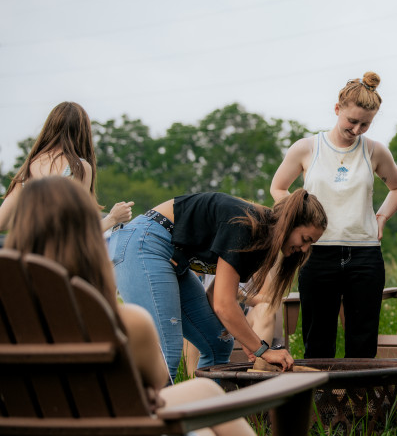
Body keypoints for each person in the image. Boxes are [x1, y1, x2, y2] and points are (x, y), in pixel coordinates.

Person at [4, 176, 256, 436]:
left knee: (204, 390)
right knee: (202, 428)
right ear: (90, 243)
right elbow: (157, 379)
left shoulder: (10, 324)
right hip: (107, 424)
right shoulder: (125, 323)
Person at [109, 187, 327, 379]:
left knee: (217, 343)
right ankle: (157, 422)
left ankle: (204, 414)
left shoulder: (261, 242)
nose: (306, 249)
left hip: (174, 259)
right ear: (290, 224)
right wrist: (262, 350)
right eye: (305, 239)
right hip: (144, 244)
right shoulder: (247, 225)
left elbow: (215, 296)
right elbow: (224, 305)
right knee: (167, 352)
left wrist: (248, 340)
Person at [270, 71, 397, 358]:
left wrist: (381, 217)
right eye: (352, 121)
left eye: (365, 124)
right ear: (337, 110)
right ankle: (323, 400)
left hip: (365, 254)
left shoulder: (375, 151)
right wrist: (300, 216)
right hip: (317, 253)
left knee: (363, 338)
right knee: (317, 339)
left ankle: (359, 400)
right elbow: (278, 188)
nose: (357, 129)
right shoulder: (307, 148)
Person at [0, 101, 133, 233]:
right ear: (83, 132)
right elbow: (79, 234)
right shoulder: (78, 168)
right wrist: (113, 218)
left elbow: (2, 222)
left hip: (24, 251)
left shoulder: (28, 167)